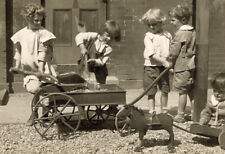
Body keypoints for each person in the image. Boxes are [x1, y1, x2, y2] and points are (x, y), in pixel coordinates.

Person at [11, 3, 56, 126]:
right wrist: (17, 65)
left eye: (40, 21)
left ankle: (45, 114)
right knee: (35, 89)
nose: (38, 23)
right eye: (36, 20)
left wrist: (41, 71)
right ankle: (35, 112)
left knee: (46, 90)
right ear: (28, 18)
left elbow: (43, 53)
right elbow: (18, 51)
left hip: (43, 68)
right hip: (29, 69)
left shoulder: (43, 34)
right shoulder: (21, 34)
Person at [140, 8, 172, 116]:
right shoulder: (149, 37)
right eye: (149, 25)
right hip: (151, 67)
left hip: (164, 67)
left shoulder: (167, 35)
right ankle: (152, 111)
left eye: (154, 24)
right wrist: (164, 61)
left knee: (165, 89)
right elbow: (152, 54)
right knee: (151, 91)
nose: (151, 27)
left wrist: (170, 62)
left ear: (161, 22)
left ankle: (164, 112)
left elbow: (171, 50)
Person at [168, 4, 196, 123]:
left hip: (182, 66)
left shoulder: (181, 33)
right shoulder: (193, 31)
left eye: (173, 20)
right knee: (191, 91)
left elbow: (174, 51)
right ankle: (196, 113)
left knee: (182, 91)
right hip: (191, 65)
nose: (171, 22)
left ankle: (180, 115)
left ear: (183, 20)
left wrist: (170, 62)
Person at [75, 20, 121, 84]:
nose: (109, 39)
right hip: (84, 67)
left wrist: (94, 61)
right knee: (83, 84)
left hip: (99, 72)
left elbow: (102, 62)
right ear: (102, 31)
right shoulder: (93, 36)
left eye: (112, 37)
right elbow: (79, 36)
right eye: (107, 35)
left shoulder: (108, 48)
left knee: (98, 87)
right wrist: (82, 47)